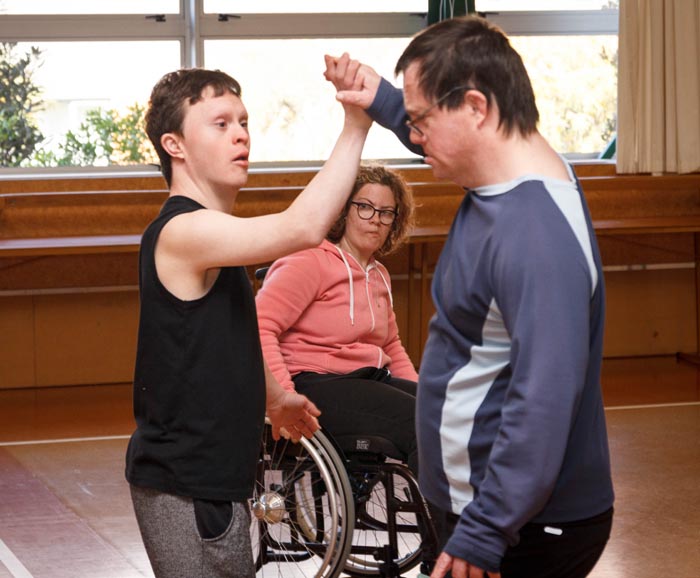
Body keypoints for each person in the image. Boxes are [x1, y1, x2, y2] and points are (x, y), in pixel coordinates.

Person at [324, 15, 614, 578]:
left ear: (477, 107)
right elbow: (449, 135)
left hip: (518, 524)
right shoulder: (508, 169)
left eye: (420, 120)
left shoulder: (534, 237)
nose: (415, 135)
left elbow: (544, 398)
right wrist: (381, 97)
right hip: (481, 503)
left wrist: (485, 530)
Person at [124, 67, 371, 578]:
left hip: (217, 483)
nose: (241, 133)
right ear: (175, 145)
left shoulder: (218, 238)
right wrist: (356, 126)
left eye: (243, 121)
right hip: (184, 486)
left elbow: (225, 342)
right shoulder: (182, 230)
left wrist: (276, 399)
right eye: (219, 123)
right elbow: (303, 227)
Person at [255, 164, 420, 475]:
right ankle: (451, 521)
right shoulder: (310, 259)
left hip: (367, 378)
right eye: (365, 207)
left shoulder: (378, 274)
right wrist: (286, 398)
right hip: (316, 382)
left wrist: (418, 390)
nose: (376, 219)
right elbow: (260, 325)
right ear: (344, 210)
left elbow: (392, 345)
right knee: (424, 424)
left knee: (450, 414)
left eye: (386, 212)